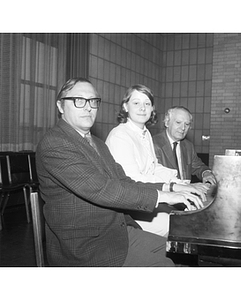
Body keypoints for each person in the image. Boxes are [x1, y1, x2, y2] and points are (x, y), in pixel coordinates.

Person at [35, 78, 207, 267]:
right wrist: (165, 195)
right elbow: (103, 190)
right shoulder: (55, 143)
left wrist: (174, 191)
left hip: (116, 230)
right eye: (78, 100)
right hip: (87, 246)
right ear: (60, 106)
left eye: (93, 101)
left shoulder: (98, 143)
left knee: (180, 252)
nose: (87, 107)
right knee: (169, 263)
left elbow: (124, 181)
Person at [105, 84, 210, 236]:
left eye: (147, 104)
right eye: (136, 103)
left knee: (190, 215)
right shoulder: (120, 135)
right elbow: (132, 181)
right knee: (179, 226)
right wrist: (173, 188)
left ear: (152, 109)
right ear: (125, 106)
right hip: (126, 210)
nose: (142, 108)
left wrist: (185, 184)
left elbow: (155, 168)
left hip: (143, 200)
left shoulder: (144, 133)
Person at [153, 106, 216, 185]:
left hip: (185, 195)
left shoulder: (188, 146)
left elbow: (198, 166)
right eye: (178, 122)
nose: (183, 128)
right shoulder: (153, 144)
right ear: (167, 122)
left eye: (187, 124)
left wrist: (206, 173)